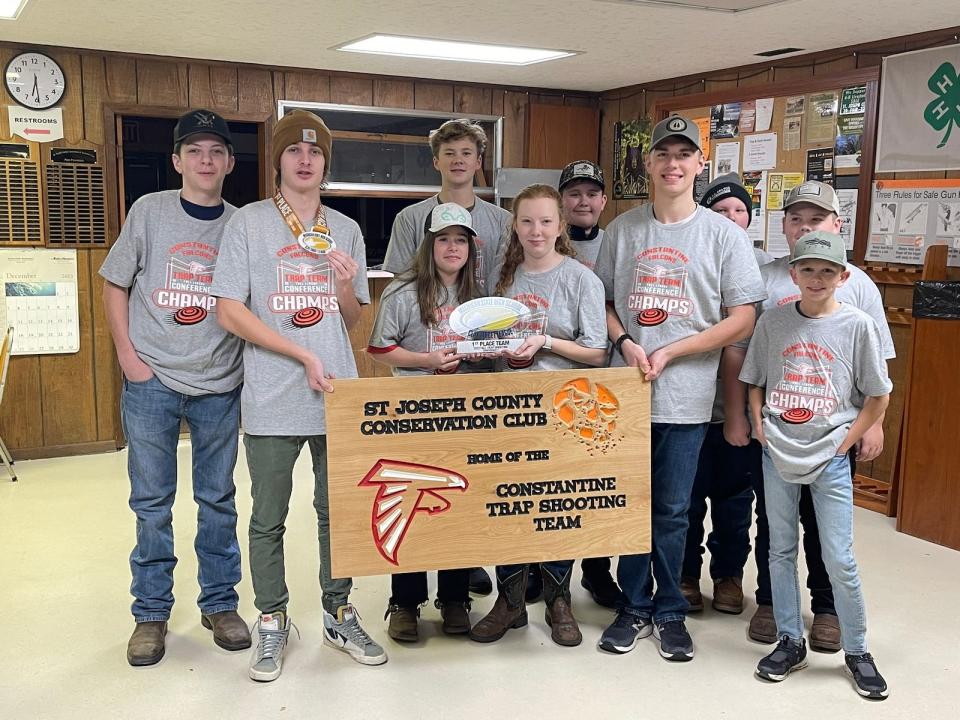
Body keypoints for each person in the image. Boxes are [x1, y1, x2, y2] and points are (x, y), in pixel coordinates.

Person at [211, 110, 387, 681]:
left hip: (335, 389)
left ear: (325, 164)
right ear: (279, 161)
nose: (305, 160)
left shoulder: (346, 229)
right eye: (294, 152)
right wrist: (299, 353)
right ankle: (273, 618)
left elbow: (354, 318)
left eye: (315, 154)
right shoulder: (249, 224)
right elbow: (230, 309)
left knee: (336, 510)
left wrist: (341, 283)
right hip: (271, 391)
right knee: (268, 515)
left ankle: (337, 610)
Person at [593, 115, 766, 661]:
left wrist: (675, 349)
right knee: (628, 505)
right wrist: (626, 342)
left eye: (683, 155)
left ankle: (669, 608)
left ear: (698, 165)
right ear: (648, 164)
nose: (672, 164)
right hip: (626, 395)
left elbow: (743, 318)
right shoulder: (622, 231)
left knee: (672, 510)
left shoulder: (723, 236)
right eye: (663, 154)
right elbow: (602, 302)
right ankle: (633, 604)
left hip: (688, 400)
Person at [100, 109, 249, 667]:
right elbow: (115, 284)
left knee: (218, 501)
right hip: (152, 379)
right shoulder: (150, 212)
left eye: (216, 151)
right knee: (151, 503)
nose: (206, 160)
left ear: (230, 163)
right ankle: (151, 614)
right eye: (195, 151)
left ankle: (220, 604)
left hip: (218, 381)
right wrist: (128, 358)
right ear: (177, 161)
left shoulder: (242, 223)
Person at [744, 180, 895, 651]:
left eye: (816, 218)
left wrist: (866, 430)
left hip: (833, 434)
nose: (804, 225)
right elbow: (755, 367)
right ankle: (774, 608)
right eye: (795, 218)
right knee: (774, 527)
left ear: (836, 224)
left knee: (828, 535)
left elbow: (877, 371)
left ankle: (828, 611)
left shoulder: (861, 290)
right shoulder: (765, 281)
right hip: (781, 434)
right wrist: (757, 425)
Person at [468, 184, 608, 647]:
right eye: (527, 221)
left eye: (546, 221)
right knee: (506, 505)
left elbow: (596, 352)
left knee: (557, 507)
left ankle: (557, 599)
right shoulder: (501, 280)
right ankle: (509, 602)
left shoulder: (581, 279)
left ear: (560, 226)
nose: (536, 230)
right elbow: (484, 343)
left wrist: (545, 342)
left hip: (563, 409)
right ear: (515, 225)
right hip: (507, 408)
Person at [383, 117, 510, 597]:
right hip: (422, 374)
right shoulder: (410, 220)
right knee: (421, 478)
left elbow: (506, 289)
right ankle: (411, 586)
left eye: (468, 154)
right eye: (449, 153)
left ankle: (465, 564)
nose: (459, 162)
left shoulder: (499, 221)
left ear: (480, 163)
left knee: (473, 473)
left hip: (482, 371)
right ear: (436, 161)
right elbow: (399, 292)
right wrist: (423, 356)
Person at [367, 202, 481, 642]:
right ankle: (406, 601)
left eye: (460, 240)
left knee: (458, 504)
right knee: (411, 502)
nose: (452, 248)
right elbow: (379, 350)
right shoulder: (403, 290)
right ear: (429, 244)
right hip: (414, 410)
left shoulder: (480, 296)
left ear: (471, 247)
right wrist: (425, 360)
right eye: (443, 239)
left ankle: (455, 598)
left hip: (464, 414)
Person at [680, 174, 772, 615]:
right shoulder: (693, 256)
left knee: (736, 501)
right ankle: (684, 575)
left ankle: (729, 576)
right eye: (721, 212)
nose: (732, 218)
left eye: (739, 210)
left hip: (744, 412)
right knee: (687, 498)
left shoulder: (766, 268)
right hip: (692, 403)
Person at [557, 159, 623, 609]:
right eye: (574, 192)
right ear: (562, 200)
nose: (583, 200)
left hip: (607, 380)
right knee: (557, 486)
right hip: (558, 381)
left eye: (591, 193)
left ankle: (598, 571)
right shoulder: (544, 242)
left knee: (600, 484)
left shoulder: (615, 245)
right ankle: (550, 571)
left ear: (602, 200)